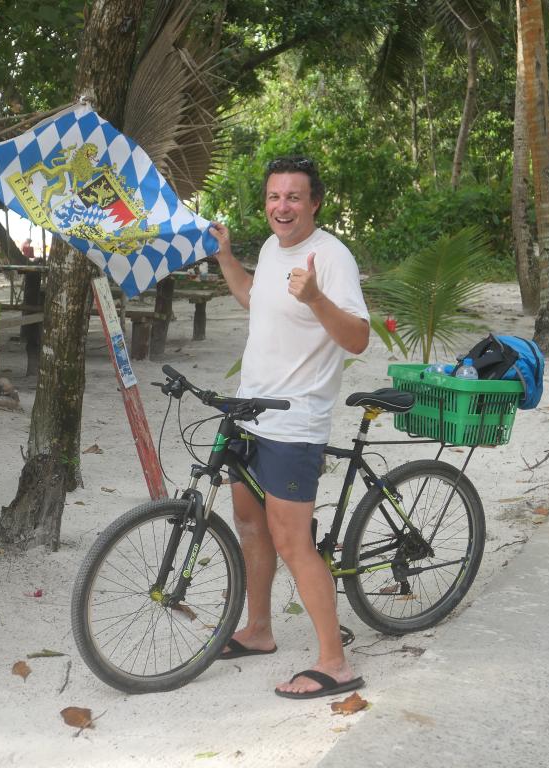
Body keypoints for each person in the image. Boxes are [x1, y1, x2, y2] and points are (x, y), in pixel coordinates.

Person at [208, 156, 370, 700]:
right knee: (250, 524)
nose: (282, 206)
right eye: (275, 196)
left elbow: (357, 339)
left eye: (294, 197)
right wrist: (227, 257)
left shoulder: (332, 257)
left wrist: (318, 298)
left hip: (296, 418)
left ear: (315, 202)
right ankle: (259, 631)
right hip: (251, 409)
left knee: (292, 540)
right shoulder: (273, 250)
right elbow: (257, 300)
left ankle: (335, 663)